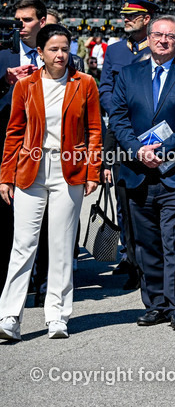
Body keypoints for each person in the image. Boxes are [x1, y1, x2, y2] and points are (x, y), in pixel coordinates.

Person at [0, 24, 102, 341]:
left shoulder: (85, 83)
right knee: (23, 245)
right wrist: (6, 175)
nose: (60, 55)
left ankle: (57, 316)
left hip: (68, 169)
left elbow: (94, 131)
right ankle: (9, 317)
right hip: (30, 169)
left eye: (65, 49)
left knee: (61, 246)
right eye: (53, 49)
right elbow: (14, 133)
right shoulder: (25, 85)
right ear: (40, 52)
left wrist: (93, 171)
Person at [108, 15, 175, 332]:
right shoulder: (128, 75)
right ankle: (155, 305)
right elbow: (118, 117)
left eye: (171, 36)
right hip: (137, 170)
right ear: (149, 37)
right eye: (158, 35)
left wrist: (162, 149)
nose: (163, 40)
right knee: (146, 244)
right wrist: (138, 149)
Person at [98, 0, 155, 289]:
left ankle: (153, 263)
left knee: (151, 202)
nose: (126, 19)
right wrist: (120, 112)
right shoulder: (115, 50)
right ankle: (132, 262)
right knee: (125, 204)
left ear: (146, 18)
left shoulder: (157, 48)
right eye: (125, 15)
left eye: (132, 15)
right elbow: (105, 88)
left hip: (152, 136)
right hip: (121, 136)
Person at [0, 0, 47, 298]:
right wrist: (5, 81)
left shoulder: (56, 53)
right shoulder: (3, 54)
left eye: (27, 20)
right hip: (9, 147)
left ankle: (43, 284)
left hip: (47, 148)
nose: (20, 25)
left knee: (46, 219)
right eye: (17, 20)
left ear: (42, 22)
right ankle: (11, 285)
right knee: (8, 218)